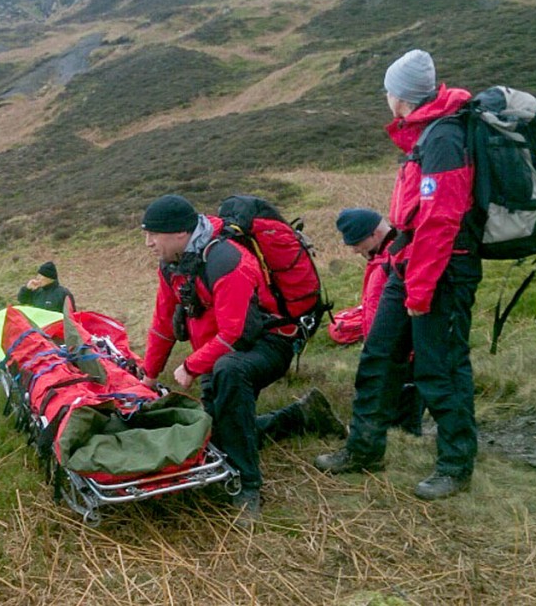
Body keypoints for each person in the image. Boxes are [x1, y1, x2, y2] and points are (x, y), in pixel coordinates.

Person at [315, 49, 480, 501]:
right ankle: (364, 448)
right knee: (378, 355)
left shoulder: (444, 138)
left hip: (442, 270)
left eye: (388, 90)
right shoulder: (426, 135)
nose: (386, 97)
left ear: (401, 97)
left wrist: (421, 292)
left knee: (441, 368)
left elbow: (440, 221)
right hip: (410, 264)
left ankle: (454, 465)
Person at [139, 194, 345, 523]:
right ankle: (303, 416)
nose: (148, 243)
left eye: (153, 234)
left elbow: (234, 334)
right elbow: (163, 324)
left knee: (229, 373)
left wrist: (191, 366)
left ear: (180, 233)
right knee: (217, 436)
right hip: (221, 349)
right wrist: (148, 377)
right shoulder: (174, 266)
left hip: (273, 340)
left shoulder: (226, 260)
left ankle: (247, 486)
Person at [335, 207, 423, 436]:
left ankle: (405, 442)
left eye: (356, 243)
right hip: (387, 350)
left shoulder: (398, 258)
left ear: (374, 233)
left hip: (402, 354)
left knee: (403, 419)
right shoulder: (381, 257)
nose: (354, 250)